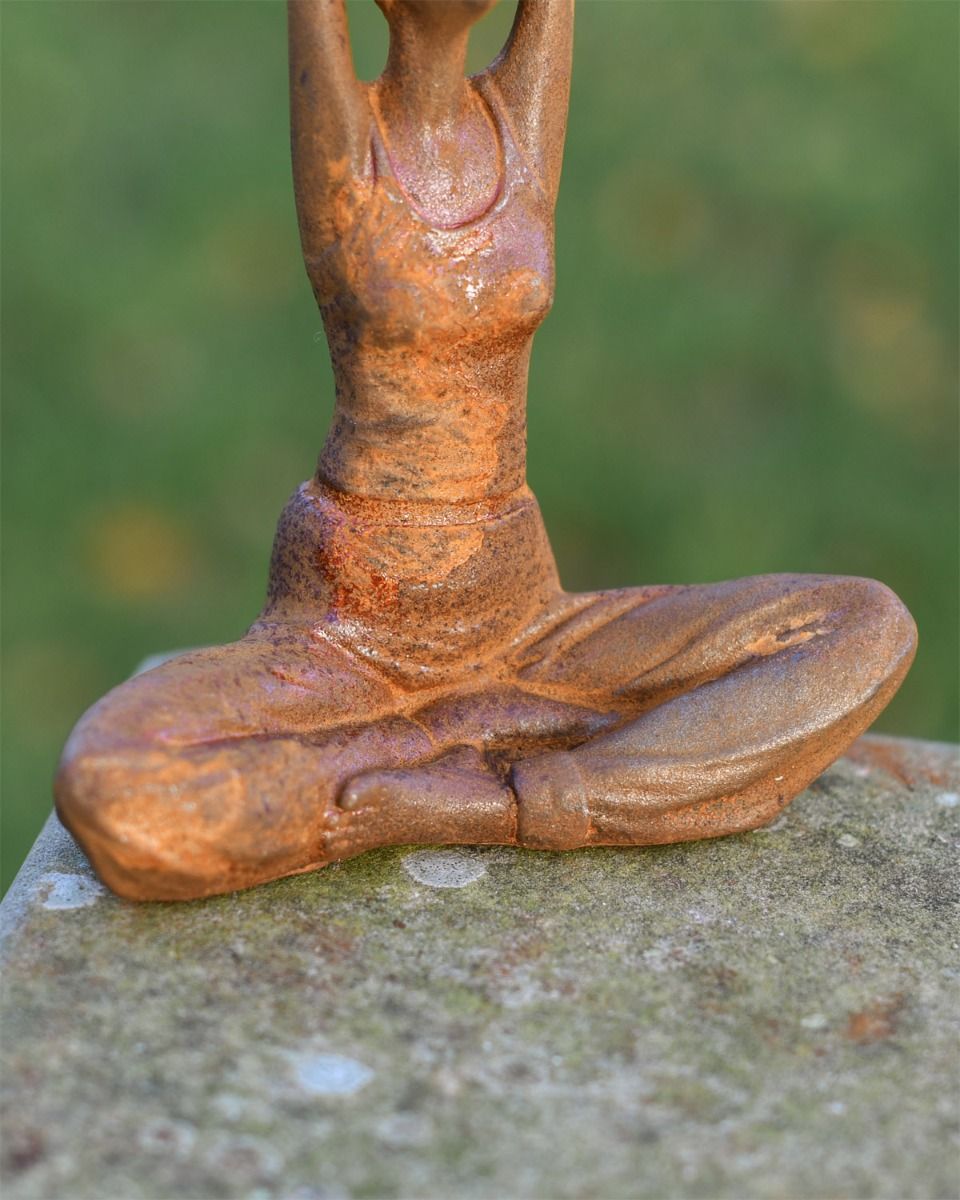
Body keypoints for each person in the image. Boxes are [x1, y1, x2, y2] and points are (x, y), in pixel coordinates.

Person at [55, 0, 916, 901]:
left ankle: (485, 800)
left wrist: (485, 800)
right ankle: (456, 742)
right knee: (113, 784)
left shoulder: (515, 130)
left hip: (516, 614)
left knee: (864, 626)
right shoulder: (352, 149)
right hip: (350, 625)